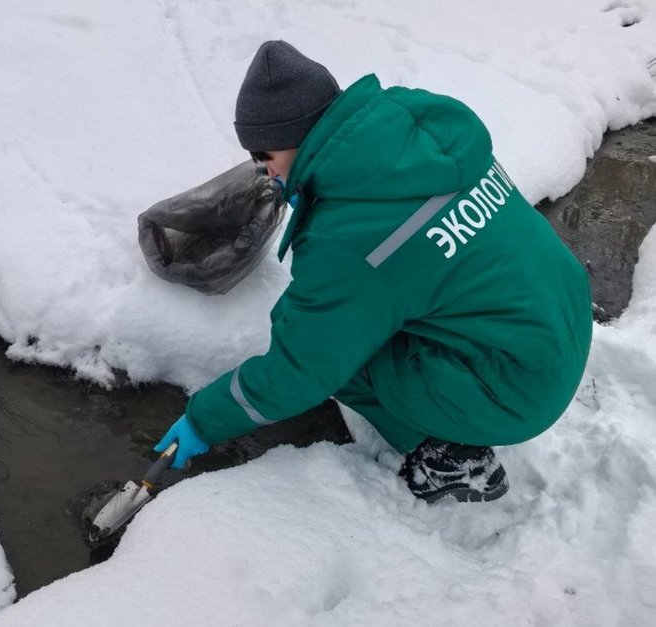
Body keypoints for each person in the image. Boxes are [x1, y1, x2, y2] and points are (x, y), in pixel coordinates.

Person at [154, 40, 593, 502]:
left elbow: (302, 369)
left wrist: (205, 419)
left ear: (297, 138)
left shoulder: (348, 237)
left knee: (337, 354)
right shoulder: (414, 138)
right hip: (562, 322)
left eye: (265, 159)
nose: (264, 174)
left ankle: (448, 457)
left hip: (516, 390)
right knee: (330, 319)